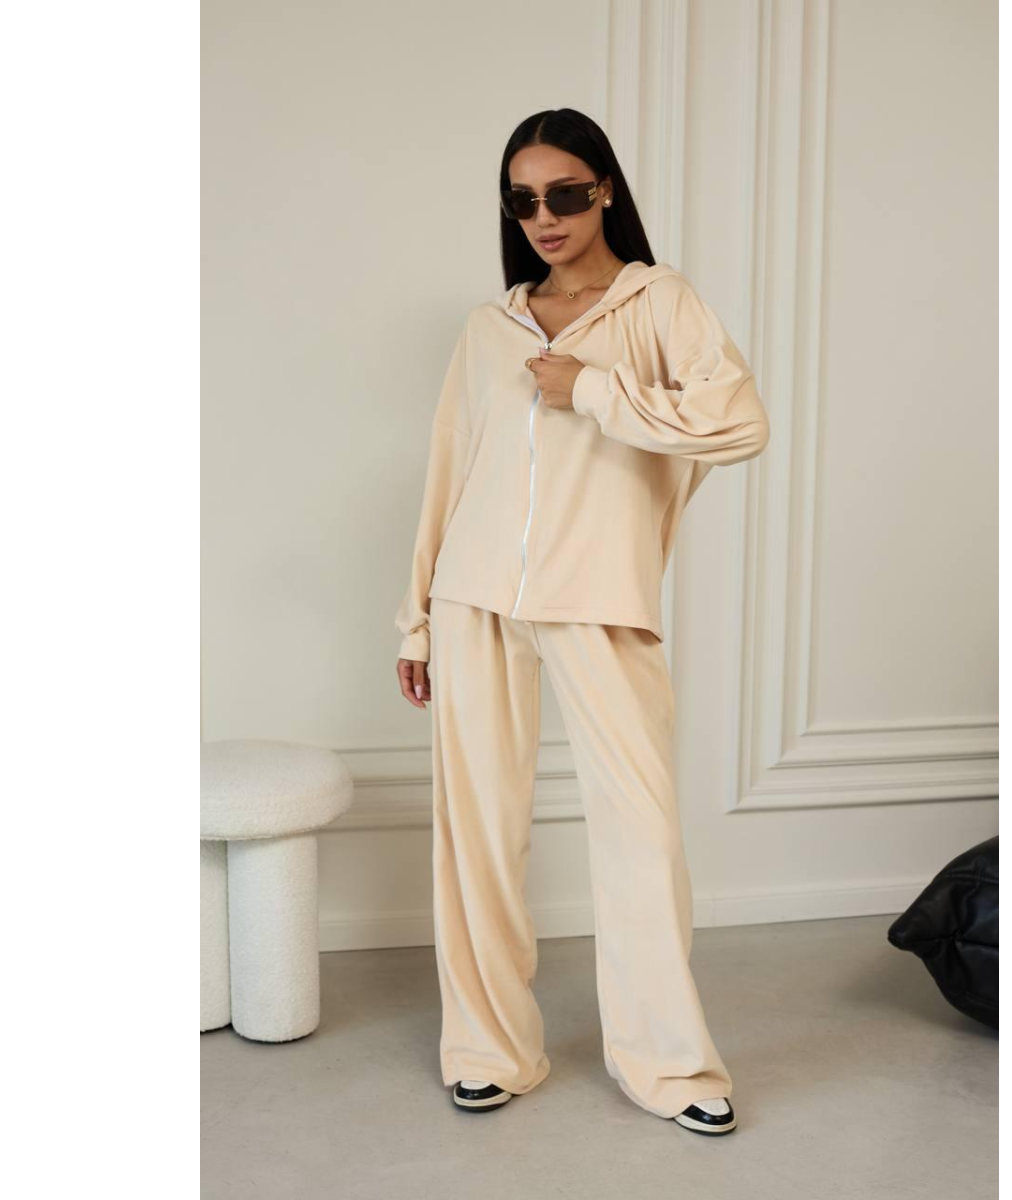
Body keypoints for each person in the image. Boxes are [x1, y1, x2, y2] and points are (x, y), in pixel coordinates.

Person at [394, 108, 769, 1137]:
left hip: (600, 596)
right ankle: (489, 1050)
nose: (545, 216)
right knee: (477, 836)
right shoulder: (491, 326)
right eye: (524, 200)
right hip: (472, 596)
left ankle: (670, 1066)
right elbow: (448, 471)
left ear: (604, 189)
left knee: (639, 832)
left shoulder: (659, 302)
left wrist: (594, 390)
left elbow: (738, 422)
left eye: (565, 193)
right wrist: (414, 619)